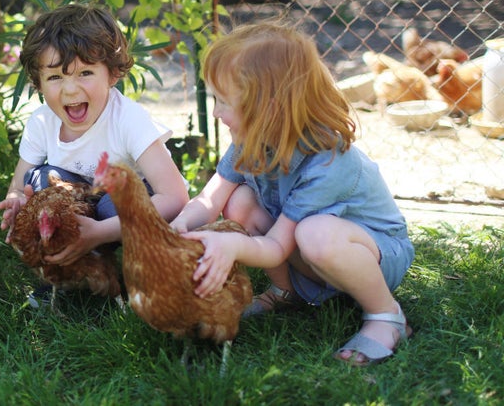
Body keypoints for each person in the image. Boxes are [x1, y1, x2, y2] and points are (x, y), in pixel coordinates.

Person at [170, 20, 415, 366]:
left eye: (224, 101)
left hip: (373, 254)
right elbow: (209, 200)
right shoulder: (251, 140)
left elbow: (274, 248)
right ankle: (288, 292)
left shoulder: (327, 161)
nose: (216, 112)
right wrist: (175, 229)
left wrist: (233, 245)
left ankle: (385, 315)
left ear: (267, 107)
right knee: (238, 201)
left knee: (314, 233)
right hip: (309, 248)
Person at [0, 3, 189, 267]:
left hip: (131, 214)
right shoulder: (42, 121)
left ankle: (135, 273)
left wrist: (102, 232)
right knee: (41, 181)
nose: (70, 90)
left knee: (113, 202)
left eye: (85, 73)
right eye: (54, 77)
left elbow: (175, 197)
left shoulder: (128, 119)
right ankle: (71, 274)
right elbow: (19, 186)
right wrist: (18, 202)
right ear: (38, 82)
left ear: (112, 74)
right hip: (82, 208)